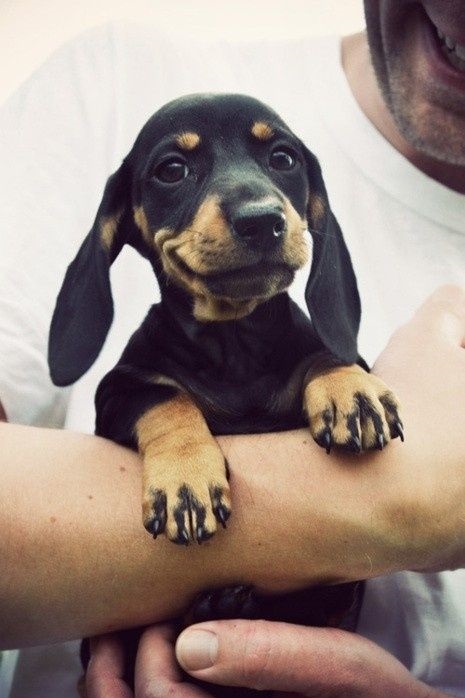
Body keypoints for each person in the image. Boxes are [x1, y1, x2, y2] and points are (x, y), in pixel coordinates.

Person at [1, 1, 465, 695]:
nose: (253, 204)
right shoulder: (108, 77)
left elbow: (328, 364)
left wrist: (336, 374)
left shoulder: (318, 359)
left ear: (310, 208)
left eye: (278, 161)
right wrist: (402, 499)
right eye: (172, 172)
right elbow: (127, 394)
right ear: (122, 227)